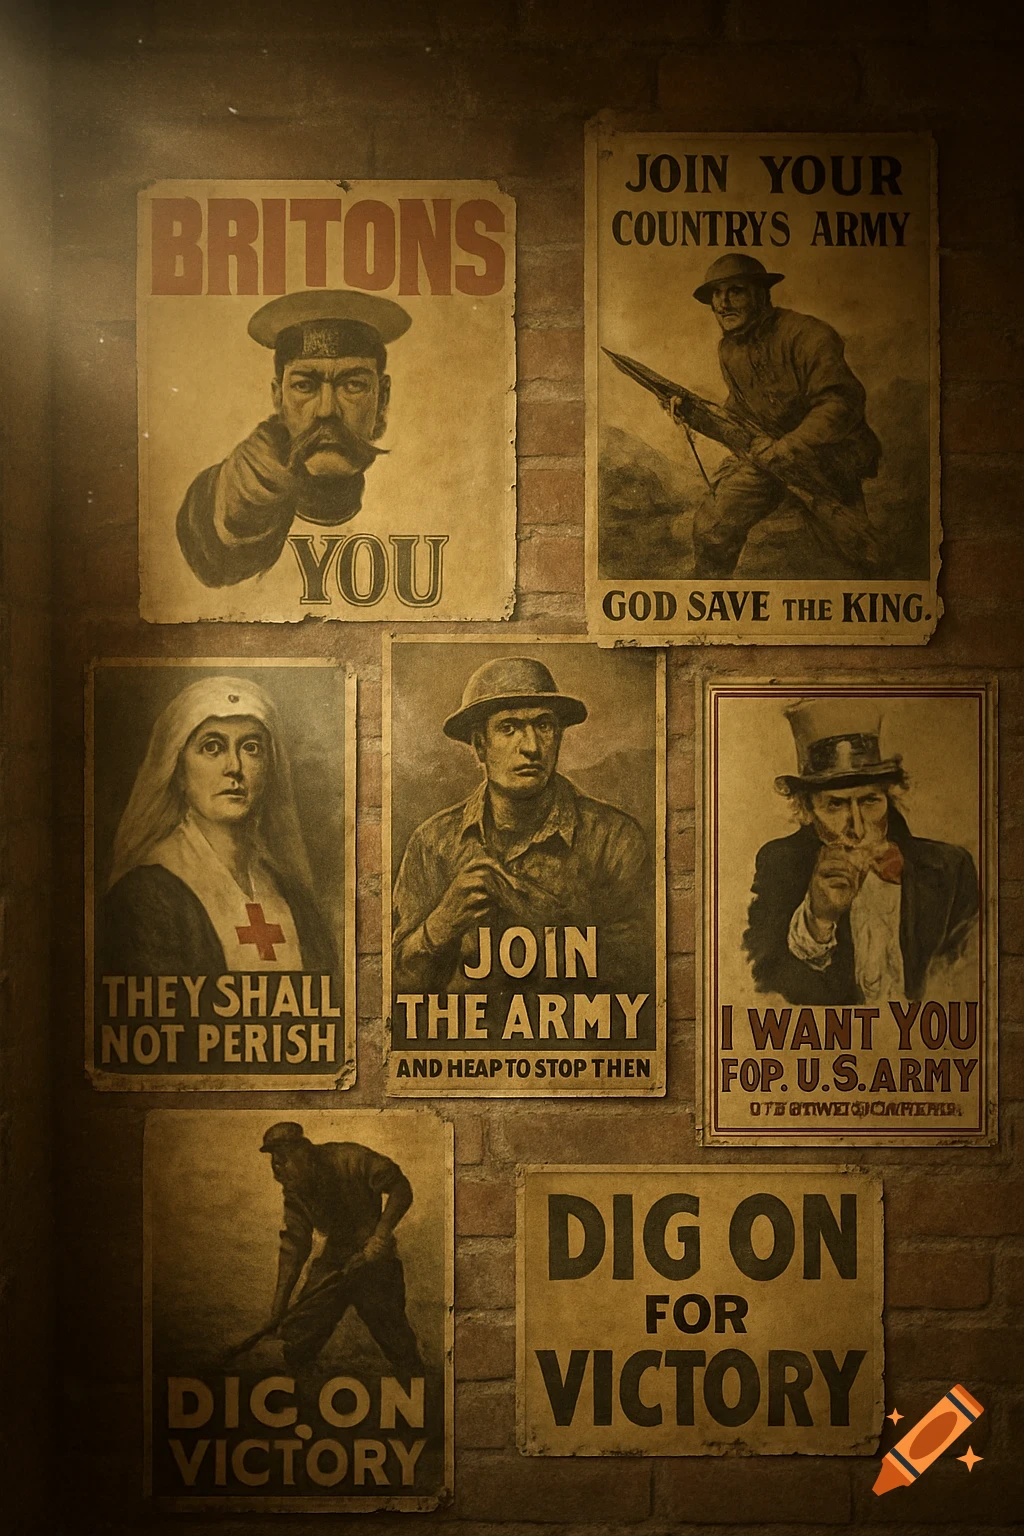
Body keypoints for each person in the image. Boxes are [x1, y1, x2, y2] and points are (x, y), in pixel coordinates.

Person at [391, 656, 652, 995]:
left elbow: (642, 979)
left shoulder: (614, 839)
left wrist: (529, 911)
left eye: (543, 726)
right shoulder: (433, 842)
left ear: (557, 736)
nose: (531, 747)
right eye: (509, 728)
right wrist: (441, 924)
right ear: (480, 746)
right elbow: (396, 987)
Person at [743, 699, 979, 1005]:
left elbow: (968, 982)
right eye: (836, 805)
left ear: (889, 799)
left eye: (869, 801)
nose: (857, 827)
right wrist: (819, 918)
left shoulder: (950, 868)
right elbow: (764, 983)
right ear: (807, 810)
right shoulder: (779, 864)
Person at [101, 675, 335, 977]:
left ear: (269, 769)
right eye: (212, 747)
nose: (234, 767)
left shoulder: (293, 898)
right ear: (179, 771)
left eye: (251, 748)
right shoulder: (144, 898)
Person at [176, 289, 411, 587]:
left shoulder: (416, 502)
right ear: (278, 397)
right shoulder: (227, 499)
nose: (326, 410)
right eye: (304, 386)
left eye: (352, 385)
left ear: (382, 398)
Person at [677, 253, 881, 578]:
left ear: (762, 294)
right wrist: (693, 413)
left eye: (736, 291)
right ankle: (705, 596)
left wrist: (787, 449)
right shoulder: (729, 350)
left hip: (827, 458)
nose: (723, 303)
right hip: (767, 457)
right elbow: (744, 408)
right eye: (716, 293)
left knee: (857, 552)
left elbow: (840, 404)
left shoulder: (808, 335)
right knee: (713, 523)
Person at [260, 1121, 424, 1377]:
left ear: (303, 1151)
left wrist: (379, 1238)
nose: (277, 1172)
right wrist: (277, 1311)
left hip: (375, 1256)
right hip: (335, 1257)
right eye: (274, 1162)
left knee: (389, 1325)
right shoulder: (296, 1191)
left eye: (283, 1160)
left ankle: (414, 1379)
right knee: (302, 1326)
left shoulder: (350, 1158)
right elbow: (293, 1249)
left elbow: (401, 1188)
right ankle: (300, 1380)